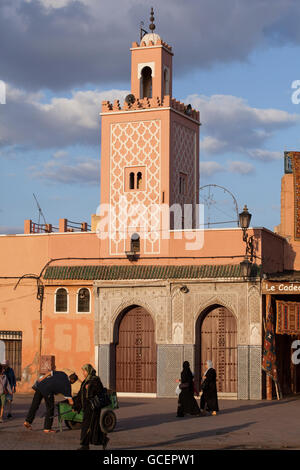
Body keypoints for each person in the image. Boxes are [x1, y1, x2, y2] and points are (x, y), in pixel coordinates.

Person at [23, 368, 78, 433]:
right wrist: (74, 407)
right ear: (73, 380)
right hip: (48, 391)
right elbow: (70, 401)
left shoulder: (63, 374)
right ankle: (47, 428)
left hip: (40, 385)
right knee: (50, 408)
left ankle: (27, 421)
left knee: (35, 405)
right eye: (74, 382)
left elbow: (50, 372)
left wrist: (41, 379)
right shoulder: (67, 386)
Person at [73, 364, 109, 450]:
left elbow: (99, 391)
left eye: (84, 371)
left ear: (88, 371)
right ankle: (103, 440)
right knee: (93, 427)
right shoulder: (85, 381)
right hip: (87, 408)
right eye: (83, 371)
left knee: (87, 426)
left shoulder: (95, 380)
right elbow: (80, 395)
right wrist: (76, 406)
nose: (83, 373)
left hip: (93, 408)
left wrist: (90, 388)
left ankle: (85, 446)